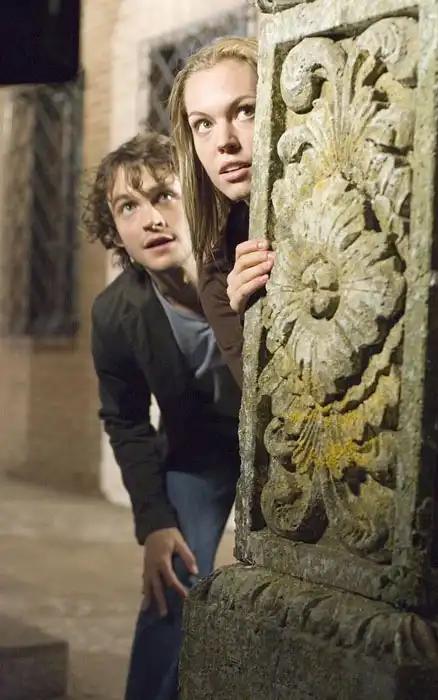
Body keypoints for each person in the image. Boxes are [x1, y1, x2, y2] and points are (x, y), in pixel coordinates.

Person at [83, 131, 240, 700]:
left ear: (195, 197)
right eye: (128, 206)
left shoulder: (244, 261)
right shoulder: (116, 314)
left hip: (285, 441)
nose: (150, 218)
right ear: (115, 230)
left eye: (164, 196)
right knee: (171, 574)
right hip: (201, 452)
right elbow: (125, 421)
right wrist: (154, 522)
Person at [169, 37, 274, 389]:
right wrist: (251, 318)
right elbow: (261, 400)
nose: (224, 142)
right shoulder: (217, 268)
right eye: (203, 124)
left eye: (246, 111)